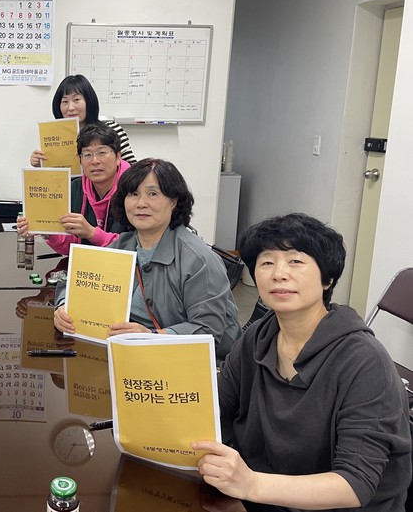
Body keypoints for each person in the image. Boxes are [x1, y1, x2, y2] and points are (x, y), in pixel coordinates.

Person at [193, 213, 411, 511]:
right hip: (261, 496)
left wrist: (252, 484)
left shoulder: (364, 361)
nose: (278, 274)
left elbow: (355, 483)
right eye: (266, 263)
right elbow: (213, 410)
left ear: (327, 279)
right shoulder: (257, 336)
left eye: (295, 261)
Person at [53, 158, 240, 361]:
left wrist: (151, 336)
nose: (141, 203)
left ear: (174, 201)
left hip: (184, 361)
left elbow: (208, 331)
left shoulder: (199, 261)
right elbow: (70, 281)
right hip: (130, 355)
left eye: (153, 194)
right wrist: (63, 307)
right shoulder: (122, 245)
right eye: (133, 194)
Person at [18, 123, 132, 255]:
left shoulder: (134, 189)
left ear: (118, 157)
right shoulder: (75, 188)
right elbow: (72, 246)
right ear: (80, 160)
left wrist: (92, 233)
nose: (95, 161)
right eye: (87, 155)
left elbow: (137, 245)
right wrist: (47, 231)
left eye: (102, 153)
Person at [29, 74, 136, 167]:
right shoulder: (56, 138)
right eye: (65, 101)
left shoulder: (111, 129)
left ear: (89, 102)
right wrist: (41, 163)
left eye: (76, 100)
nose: (70, 107)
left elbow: (133, 170)